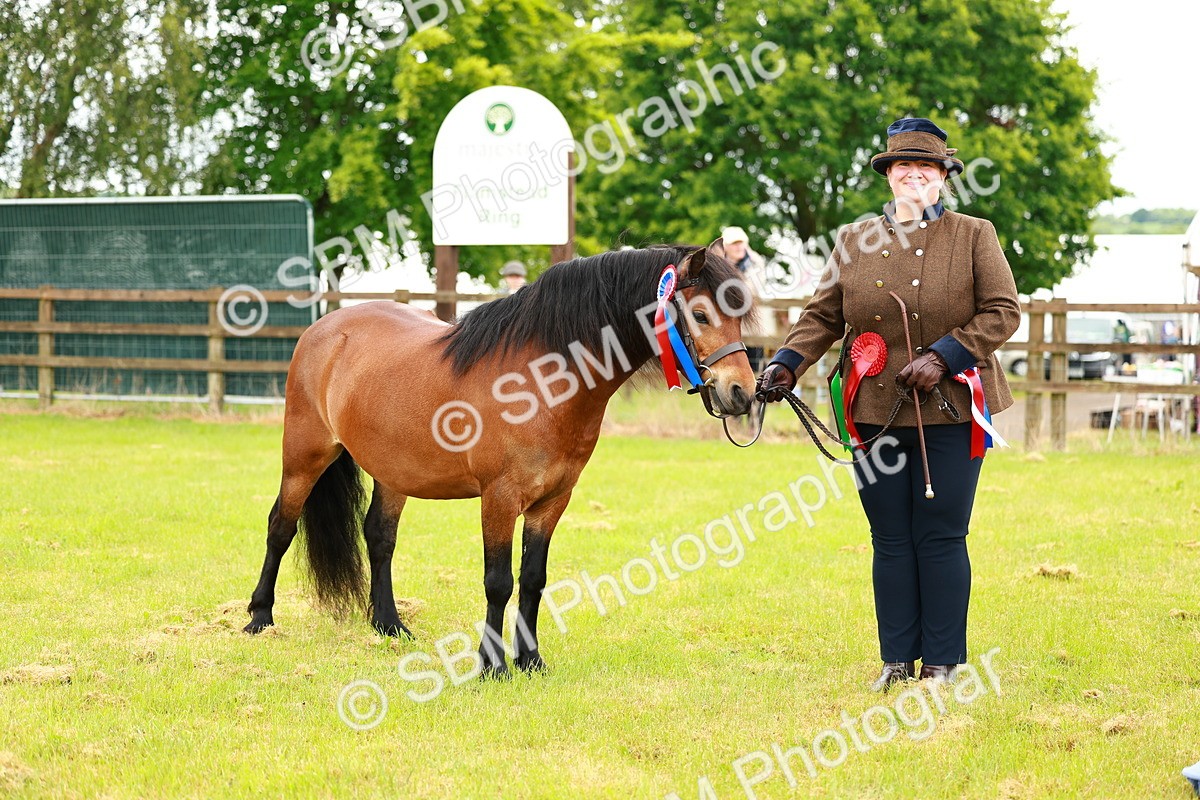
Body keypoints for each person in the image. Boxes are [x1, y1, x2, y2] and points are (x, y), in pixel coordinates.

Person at [756, 118, 1021, 691]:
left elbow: (1003, 311)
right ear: (889, 173)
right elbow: (824, 315)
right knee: (890, 537)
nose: (914, 175)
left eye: (926, 167)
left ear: (944, 175)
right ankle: (897, 661)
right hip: (874, 412)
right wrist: (786, 363)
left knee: (942, 533)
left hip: (950, 408)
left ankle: (944, 663)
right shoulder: (854, 239)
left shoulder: (976, 234)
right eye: (904, 166)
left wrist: (947, 355)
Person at [721, 226, 775, 370]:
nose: (738, 247)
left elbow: (753, 290)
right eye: (734, 243)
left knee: (755, 367)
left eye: (741, 242)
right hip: (728, 328)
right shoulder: (718, 266)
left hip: (753, 327)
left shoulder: (756, 263)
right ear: (725, 247)